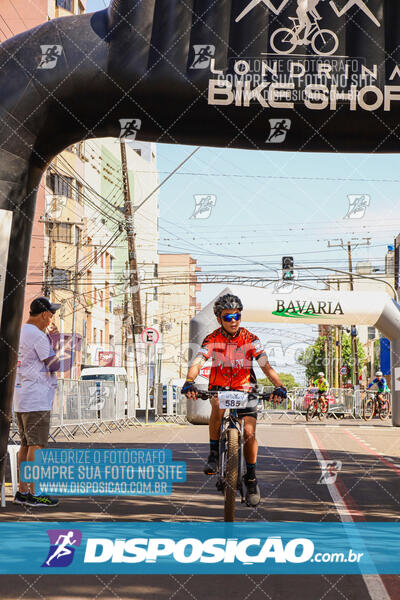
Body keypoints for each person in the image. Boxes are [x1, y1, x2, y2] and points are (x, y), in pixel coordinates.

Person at [181, 294, 287, 507]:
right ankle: (213, 452)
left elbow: (265, 366)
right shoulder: (212, 339)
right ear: (219, 319)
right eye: (227, 317)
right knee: (217, 409)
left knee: (249, 432)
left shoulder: (250, 339)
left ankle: (252, 478)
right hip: (219, 387)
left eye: (236, 316)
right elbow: (198, 361)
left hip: (245, 388)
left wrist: (279, 386)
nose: (233, 321)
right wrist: (189, 381)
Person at [13, 297, 61, 507]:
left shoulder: (19, 332)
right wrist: (56, 339)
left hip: (21, 397)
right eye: (51, 314)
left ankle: (22, 491)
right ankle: (36, 492)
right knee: (37, 446)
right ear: (43, 314)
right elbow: (54, 365)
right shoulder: (39, 336)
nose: (51, 318)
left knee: (25, 445)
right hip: (37, 399)